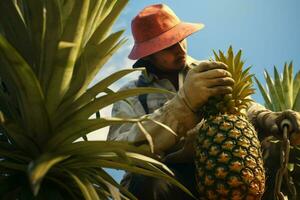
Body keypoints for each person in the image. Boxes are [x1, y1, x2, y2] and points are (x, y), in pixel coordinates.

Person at [107, 4, 300, 200]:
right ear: (148, 55)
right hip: (172, 179)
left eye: (181, 39)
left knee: (272, 154)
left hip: (225, 166)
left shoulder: (207, 70)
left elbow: (245, 108)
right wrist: (183, 104)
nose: (180, 49)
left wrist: (270, 119)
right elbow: (120, 150)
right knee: (149, 182)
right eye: (168, 45)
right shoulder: (131, 95)